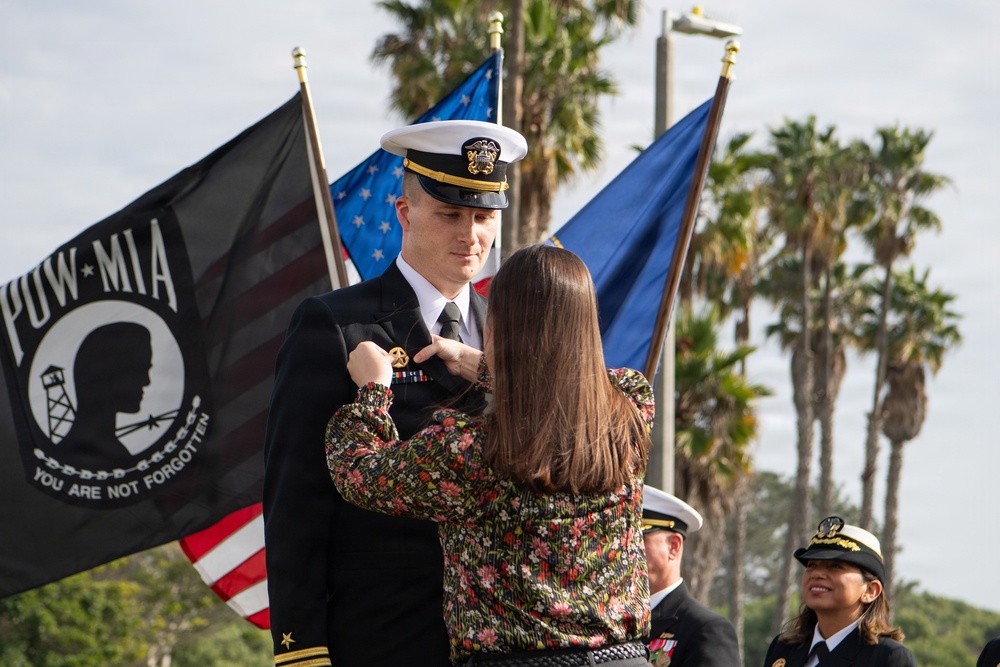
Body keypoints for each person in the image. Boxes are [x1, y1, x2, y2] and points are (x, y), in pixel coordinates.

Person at [263, 119, 527, 667]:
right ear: (406, 213)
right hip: (382, 636)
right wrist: (302, 647)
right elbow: (296, 499)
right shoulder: (335, 325)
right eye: (451, 214)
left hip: (502, 643)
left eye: (483, 216)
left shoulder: (510, 332)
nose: (470, 234)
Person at [326, 244, 655, 666]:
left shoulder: (470, 451)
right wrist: (483, 366)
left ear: (501, 327)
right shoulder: (631, 406)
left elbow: (357, 471)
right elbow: (571, 385)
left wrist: (372, 390)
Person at [763, 516, 917, 667]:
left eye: (835, 566)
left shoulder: (887, 657)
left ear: (870, 590)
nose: (817, 574)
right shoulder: (784, 648)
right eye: (811, 565)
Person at [640, 485, 740, 667]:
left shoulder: (707, 630)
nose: (627, 551)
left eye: (640, 539)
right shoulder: (616, 624)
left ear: (674, 546)